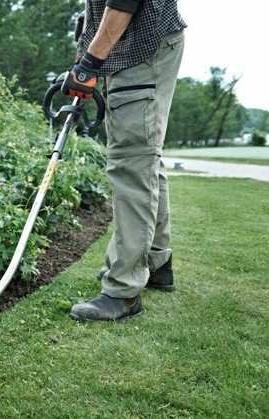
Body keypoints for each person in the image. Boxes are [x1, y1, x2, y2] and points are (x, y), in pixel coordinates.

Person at [61, 0, 186, 321]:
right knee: (145, 158)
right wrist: (84, 58)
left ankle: (123, 290)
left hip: (141, 46)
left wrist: (90, 62)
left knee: (132, 161)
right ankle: (156, 263)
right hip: (131, 46)